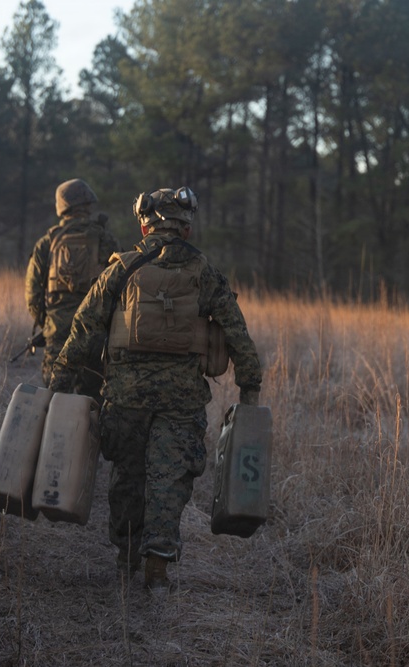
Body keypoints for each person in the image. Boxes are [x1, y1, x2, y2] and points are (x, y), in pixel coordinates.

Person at [48, 186, 262, 591]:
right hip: (180, 401)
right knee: (169, 477)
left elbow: (84, 326)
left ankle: (126, 554)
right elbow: (237, 332)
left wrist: (62, 377)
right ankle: (158, 567)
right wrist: (249, 387)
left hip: (126, 397)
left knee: (129, 473)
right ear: (184, 227)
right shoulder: (204, 271)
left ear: (144, 224)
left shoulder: (122, 268)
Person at [24, 178, 121, 399]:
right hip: (95, 338)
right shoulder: (106, 239)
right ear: (88, 205)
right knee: (92, 405)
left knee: (55, 402)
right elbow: (121, 290)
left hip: (58, 337)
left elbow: (33, 295)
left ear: (62, 207)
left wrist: (48, 324)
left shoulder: (47, 243)